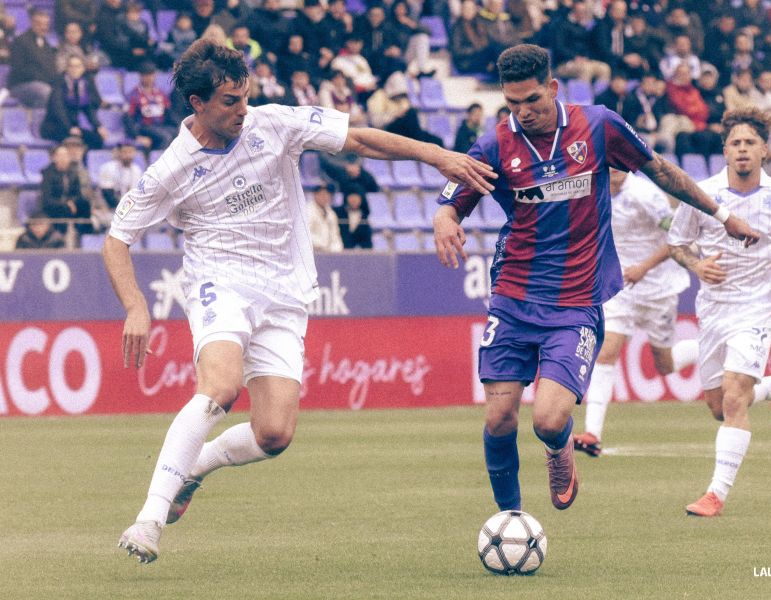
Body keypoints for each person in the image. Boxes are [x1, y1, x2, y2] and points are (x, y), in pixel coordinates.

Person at [106, 39, 495, 564]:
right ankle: (149, 519)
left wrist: (437, 156)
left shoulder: (273, 122)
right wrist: (135, 307)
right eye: (228, 101)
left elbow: (358, 140)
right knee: (219, 387)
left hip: (285, 290)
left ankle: (194, 467)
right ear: (197, 104)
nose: (242, 110)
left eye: (244, 97)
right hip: (220, 282)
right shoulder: (170, 168)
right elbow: (117, 238)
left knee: (274, 434)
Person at [433, 44, 758, 515]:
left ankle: (559, 447)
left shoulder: (598, 124)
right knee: (499, 417)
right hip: (512, 296)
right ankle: (511, 519)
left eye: (532, 101)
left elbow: (661, 171)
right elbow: (453, 195)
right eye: (513, 103)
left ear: (553, 88)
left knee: (547, 420)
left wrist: (722, 214)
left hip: (575, 301)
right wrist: (445, 216)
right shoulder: (496, 144)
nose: (523, 113)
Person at [668, 106, 771, 517]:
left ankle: (715, 495)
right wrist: (696, 265)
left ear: (764, 150)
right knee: (719, 407)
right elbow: (677, 244)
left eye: (750, 143)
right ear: (724, 150)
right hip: (713, 310)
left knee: (735, 400)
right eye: (735, 143)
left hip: (756, 310)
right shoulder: (702, 195)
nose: (742, 150)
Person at [572, 168, 696, 457]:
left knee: (664, 365)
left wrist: (644, 267)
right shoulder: (595, 191)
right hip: (621, 288)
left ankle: (708, 349)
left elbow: (677, 239)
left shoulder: (647, 195)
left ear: (627, 166)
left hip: (658, 289)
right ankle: (592, 434)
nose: (611, 170)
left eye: (617, 164)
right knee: (606, 351)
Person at [99, 141, 144, 211]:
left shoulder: (137, 170)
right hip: (110, 207)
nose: (128, 155)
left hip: (131, 207)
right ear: (119, 153)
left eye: (130, 152)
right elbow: (107, 194)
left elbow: (137, 194)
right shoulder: (108, 168)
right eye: (125, 152)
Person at [306, 183, 343, 252]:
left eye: (327, 194)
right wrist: (323, 245)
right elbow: (306, 235)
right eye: (322, 194)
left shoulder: (331, 213)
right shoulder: (308, 211)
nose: (325, 197)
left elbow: (335, 236)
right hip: (312, 252)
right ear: (315, 195)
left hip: (328, 253)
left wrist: (336, 249)